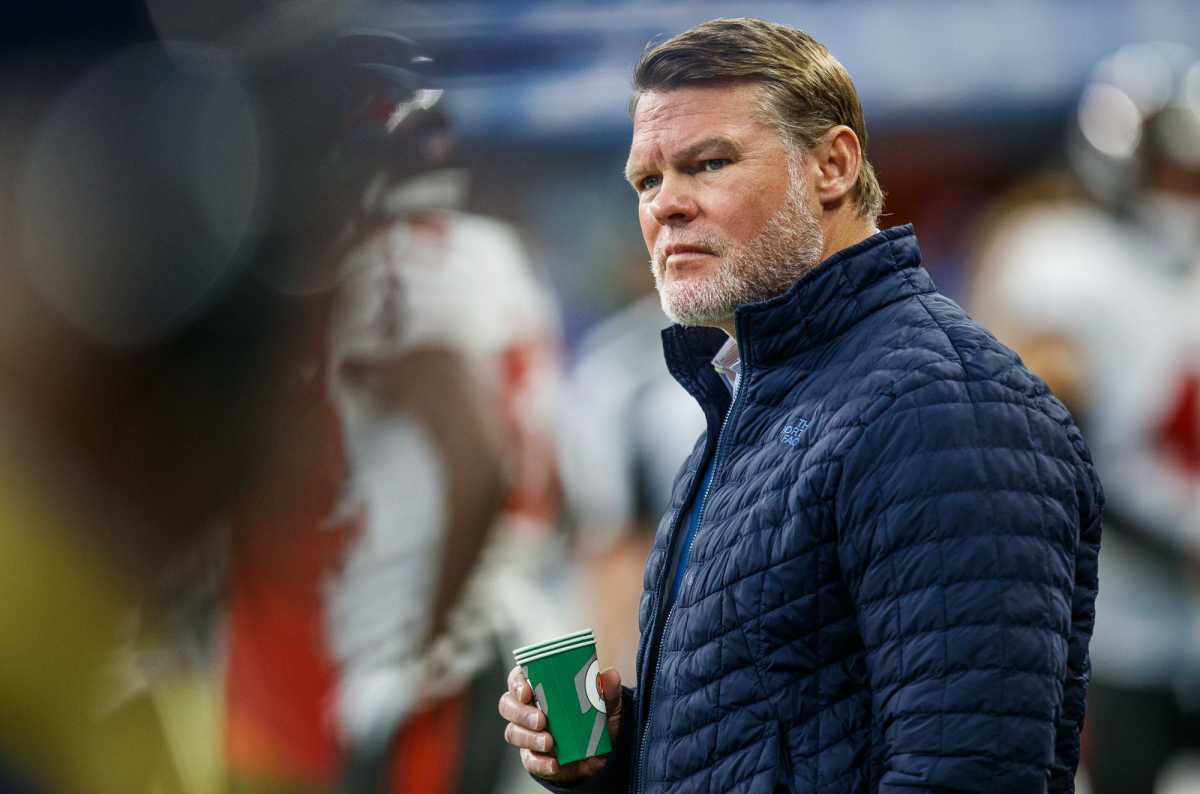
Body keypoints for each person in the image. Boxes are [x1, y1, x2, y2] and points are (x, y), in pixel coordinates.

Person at [499, 17, 1103, 794]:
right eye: (647, 181)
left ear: (832, 165)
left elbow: (966, 771)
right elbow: (794, 724)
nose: (666, 206)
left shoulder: (943, 409)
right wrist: (620, 753)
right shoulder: (760, 392)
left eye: (707, 163)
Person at [969, 43, 1200, 794]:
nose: (1183, 191)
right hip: (1119, 615)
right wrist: (1176, 542)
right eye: (1170, 170)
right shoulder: (1057, 258)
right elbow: (1044, 448)